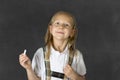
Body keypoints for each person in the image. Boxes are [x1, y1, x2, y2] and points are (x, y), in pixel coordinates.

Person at [19, 11, 86, 80]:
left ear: (72, 32)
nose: (61, 27)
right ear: (50, 29)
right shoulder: (41, 53)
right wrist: (29, 68)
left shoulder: (77, 55)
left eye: (66, 25)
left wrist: (73, 75)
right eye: (57, 23)